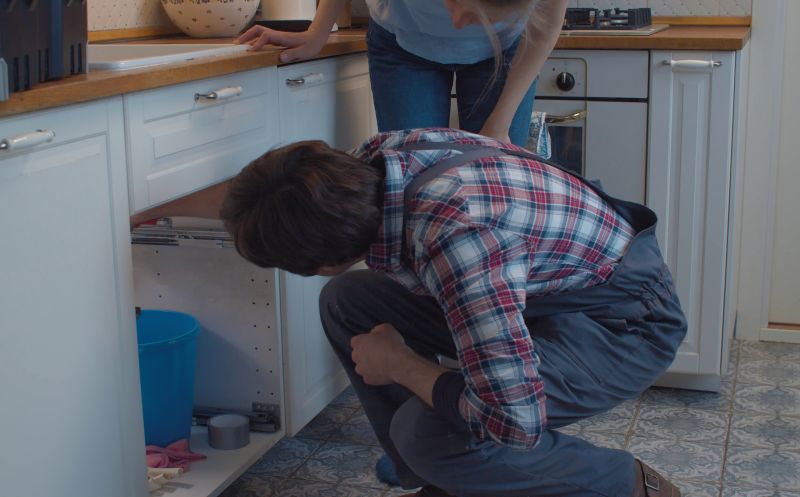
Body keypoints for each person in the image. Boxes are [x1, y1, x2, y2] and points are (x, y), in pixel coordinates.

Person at [134, 127, 687, 497]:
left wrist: (400, 365)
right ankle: (439, 480)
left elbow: (514, 422)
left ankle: (626, 483)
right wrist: (136, 210)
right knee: (350, 300)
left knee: (432, 433)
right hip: (547, 288)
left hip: (623, 324)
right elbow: (258, 196)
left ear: (323, 259)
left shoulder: (457, 240)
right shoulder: (371, 165)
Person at [236, 0, 568, 147]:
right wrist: (317, 33)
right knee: (412, 178)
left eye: (474, 17)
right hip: (401, 42)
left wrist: (499, 124)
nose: (455, 25)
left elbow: (547, 25)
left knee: (499, 176)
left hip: (502, 53)